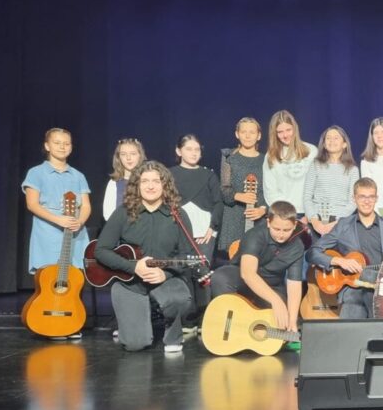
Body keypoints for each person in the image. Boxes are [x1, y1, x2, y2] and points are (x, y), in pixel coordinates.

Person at [94, 161, 194, 353]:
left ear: (165, 185)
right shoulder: (123, 213)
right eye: (144, 181)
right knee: (135, 345)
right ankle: (139, 320)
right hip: (129, 282)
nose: (150, 186)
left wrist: (165, 274)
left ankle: (172, 332)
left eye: (156, 181)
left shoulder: (178, 214)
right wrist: (134, 268)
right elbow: (101, 250)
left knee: (179, 300)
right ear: (136, 186)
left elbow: (186, 255)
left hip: (166, 279)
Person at [22, 128, 92, 339]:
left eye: (66, 143)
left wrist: (78, 221)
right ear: (47, 146)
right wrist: (58, 220)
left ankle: (70, 322)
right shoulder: (36, 173)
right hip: (48, 233)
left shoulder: (78, 175)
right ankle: (50, 321)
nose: (62, 147)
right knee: (49, 279)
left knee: (73, 279)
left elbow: (86, 205)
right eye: (57, 142)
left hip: (74, 233)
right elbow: (32, 204)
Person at [306, 177, 383, 319]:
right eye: (362, 197)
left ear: (376, 198)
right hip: (354, 288)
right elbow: (312, 253)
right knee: (349, 333)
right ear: (354, 198)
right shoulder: (343, 225)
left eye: (371, 197)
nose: (367, 201)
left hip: (382, 287)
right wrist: (339, 261)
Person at [210, 201, 304, 334]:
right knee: (220, 277)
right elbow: (248, 274)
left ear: (294, 225)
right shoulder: (255, 235)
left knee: (279, 325)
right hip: (241, 279)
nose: (281, 234)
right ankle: (229, 329)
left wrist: (292, 321)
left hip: (272, 285)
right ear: (268, 223)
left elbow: (294, 285)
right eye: (276, 229)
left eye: (286, 230)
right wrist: (275, 300)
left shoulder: (297, 246)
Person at [170, 134, 223, 332]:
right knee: (184, 272)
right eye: (188, 149)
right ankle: (187, 319)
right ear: (179, 151)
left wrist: (213, 227)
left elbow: (218, 202)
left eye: (197, 149)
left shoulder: (208, 174)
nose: (193, 153)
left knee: (203, 275)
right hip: (179, 231)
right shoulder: (169, 174)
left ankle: (204, 318)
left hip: (204, 232)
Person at [219, 117, 267, 256]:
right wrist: (238, 195)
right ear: (237, 134)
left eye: (252, 132)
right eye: (243, 131)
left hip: (258, 215)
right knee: (234, 259)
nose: (247, 135)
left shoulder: (266, 160)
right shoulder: (229, 157)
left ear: (259, 135)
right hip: (235, 215)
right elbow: (224, 188)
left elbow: (271, 191)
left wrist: (263, 210)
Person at [304, 125, 359, 239]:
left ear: (344, 144)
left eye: (336, 138)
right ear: (323, 144)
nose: (331, 141)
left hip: (341, 223)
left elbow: (353, 202)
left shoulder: (353, 169)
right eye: (328, 138)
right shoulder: (315, 165)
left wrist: (336, 223)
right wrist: (315, 222)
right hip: (316, 223)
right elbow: (307, 196)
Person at [263, 110, 317, 217]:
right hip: (284, 214)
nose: (285, 135)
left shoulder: (312, 151)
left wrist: (310, 214)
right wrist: (285, 213)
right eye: (280, 132)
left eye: (288, 130)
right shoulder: (271, 156)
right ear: (274, 133)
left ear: (295, 129)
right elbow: (270, 190)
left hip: (310, 214)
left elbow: (319, 186)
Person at [101, 138, 145, 222]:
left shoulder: (148, 181)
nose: (128, 158)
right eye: (123, 154)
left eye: (133, 154)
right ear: (118, 157)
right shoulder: (114, 183)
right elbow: (108, 214)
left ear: (140, 155)